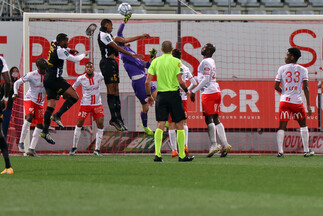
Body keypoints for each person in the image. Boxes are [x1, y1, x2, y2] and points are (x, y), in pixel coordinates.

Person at [145, 41, 194, 162]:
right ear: (172, 49)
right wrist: (187, 90)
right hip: (174, 95)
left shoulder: (155, 61)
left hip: (161, 96)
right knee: (180, 124)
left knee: (160, 124)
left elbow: (147, 82)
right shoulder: (176, 61)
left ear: (161, 49)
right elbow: (180, 80)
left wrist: (149, 95)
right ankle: (182, 155)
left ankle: (157, 155)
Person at [98, 18, 150, 131]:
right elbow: (117, 46)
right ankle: (113, 118)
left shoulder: (108, 34)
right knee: (111, 90)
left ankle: (119, 118)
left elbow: (123, 39)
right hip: (106, 63)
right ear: (107, 25)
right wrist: (132, 55)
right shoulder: (103, 35)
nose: (112, 28)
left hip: (112, 63)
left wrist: (140, 36)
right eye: (111, 25)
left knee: (116, 90)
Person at [40, 33, 89, 144]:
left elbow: (63, 47)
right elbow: (75, 60)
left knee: (51, 105)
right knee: (75, 97)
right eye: (66, 41)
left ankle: (45, 131)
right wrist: (84, 54)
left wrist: (69, 49)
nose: (67, 42)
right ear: (61, 41)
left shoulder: (53, 43)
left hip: (47, 79)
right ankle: (57, 116)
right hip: (55, 79)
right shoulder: (60, 51)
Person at [190, 43, 232, 158]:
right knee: (215, 118)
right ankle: (225, 144)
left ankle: (214, 144)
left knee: (209, 119)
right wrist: (189, 86)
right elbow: (201, 78)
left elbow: (206, 79)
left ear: (208, 51)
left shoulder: (205, 62)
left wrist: (194, 91)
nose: (202, 48)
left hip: (209, 93)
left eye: (204, 47)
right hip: (215, 91)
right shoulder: (210, 61)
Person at [117, 18, 157, 135]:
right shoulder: (123, 52)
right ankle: (145, 126)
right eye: (124, 39)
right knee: (146, 108)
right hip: (138, 82)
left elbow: (146, 65)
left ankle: (164, 121)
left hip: (145, 78)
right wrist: (124, 22)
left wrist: (152, 57)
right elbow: (119, 34)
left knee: (158, 98)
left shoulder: (130, 49)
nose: (126, 40)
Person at [274, 47, 314, 158]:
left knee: (282, 126)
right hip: (297, 102)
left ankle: (280, 152)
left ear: (292, 57)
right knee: (303, 126)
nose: (285, 57)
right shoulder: (303, 70)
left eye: (287, 55)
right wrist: (309, 105)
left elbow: (276, 86)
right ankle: (306, 151)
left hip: (284, 102)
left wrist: (284, 93)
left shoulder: (282, 68)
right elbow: (305, 87)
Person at [13, 58, 47, 157]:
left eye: (45, 63)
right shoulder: (32, 75)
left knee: (40, 125)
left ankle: (31, 149)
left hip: (40, 103)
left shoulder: (49, 75)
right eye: (42, 64)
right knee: (29, 117)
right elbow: (17, 82)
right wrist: (15, 93)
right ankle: (21, 142)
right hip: (29, 99)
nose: (44, 65)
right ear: (38, 66)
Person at [69, 62, 105, 156]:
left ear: (93, 68)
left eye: (91, 67)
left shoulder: (99, 76)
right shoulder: (81, 78)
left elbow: (108, 77)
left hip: (97, 104)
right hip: (85, 104)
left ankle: (97, 149)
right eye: (87, 67)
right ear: (85, 69)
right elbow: (73, 88)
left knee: (100, 124)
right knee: (79, 123)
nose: (89, 68)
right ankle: (74, 147)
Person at [168, 49, 197, 157]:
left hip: (171, 97)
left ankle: (174, 150)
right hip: (183, 98)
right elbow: (194, 82)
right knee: (184, 123)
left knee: (171, 124)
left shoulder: (170, 67)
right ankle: (185, 145)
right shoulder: (185, 67)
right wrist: (186, 91)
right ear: (181, 56)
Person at [0, 56, 13, 174]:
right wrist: (5, 98)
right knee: (0, 134)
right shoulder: (1, 59)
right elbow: (8, 82)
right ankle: (8, 166)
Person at [0, 66, 19, 138]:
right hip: (8, 108)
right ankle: (4, 144)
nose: (15, 73)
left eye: (17, 71)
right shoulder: (6, 84)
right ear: (10, 73)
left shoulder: (20, 84)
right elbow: (2, 96)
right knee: (5, 127)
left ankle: (19, 143)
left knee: (18, 127)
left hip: (17, 109)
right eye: (14, 71)